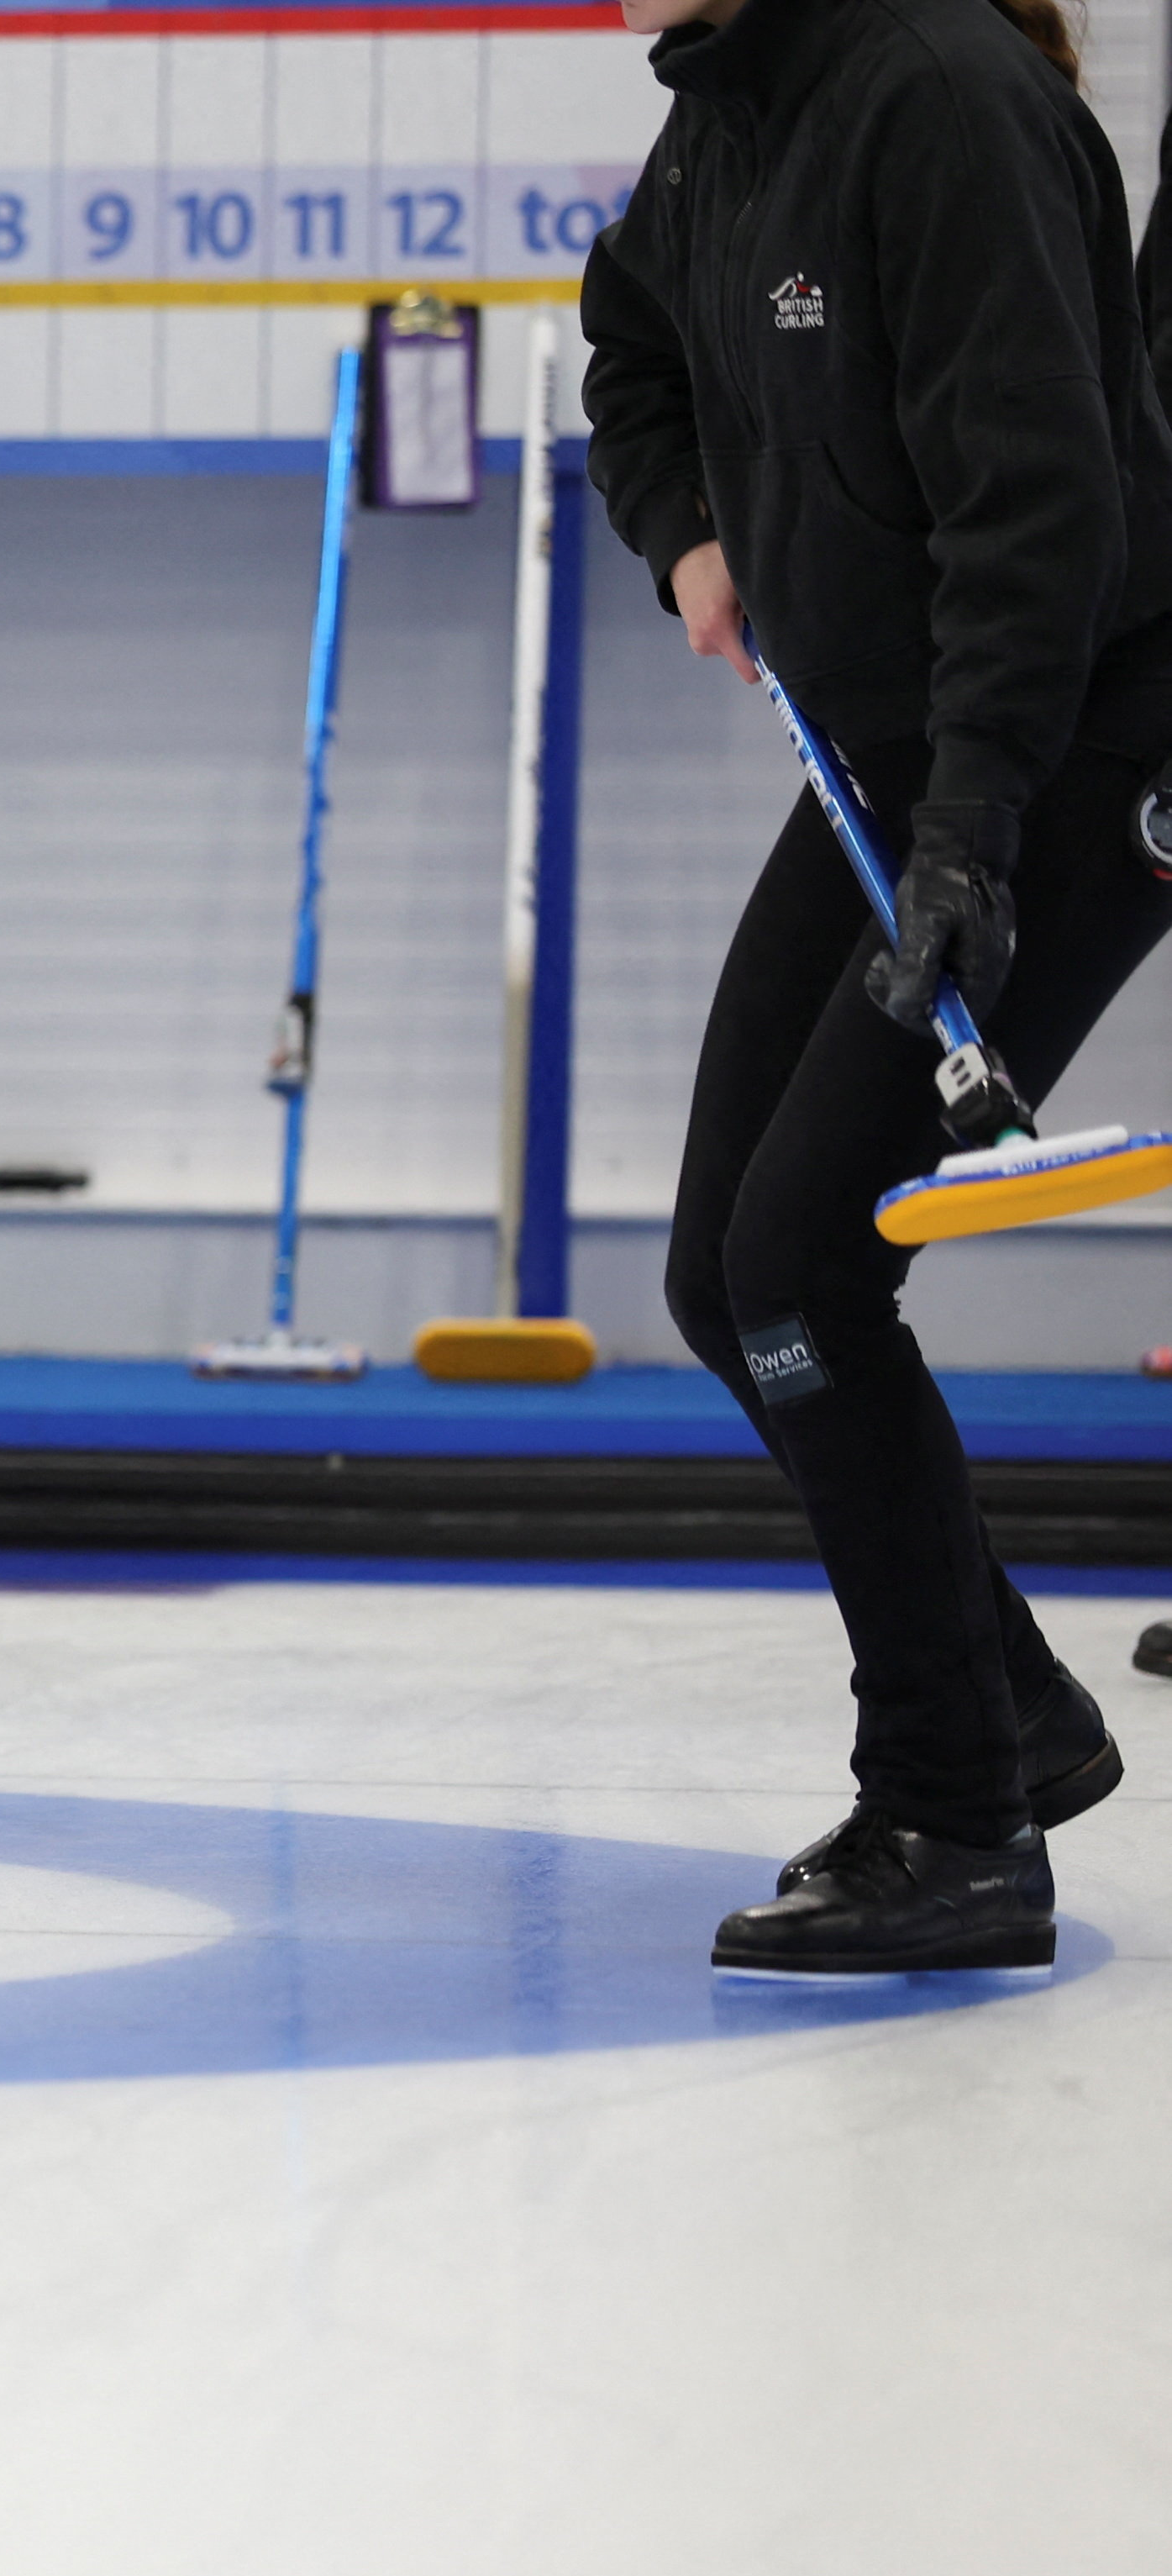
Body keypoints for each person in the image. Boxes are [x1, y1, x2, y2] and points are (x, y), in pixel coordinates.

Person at [583, 0, 1169, 1972]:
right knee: (717, 1265)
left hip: (1075, 740)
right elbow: (630, 354)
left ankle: (955, 1818)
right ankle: (1004, 1703)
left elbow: (1041, 509)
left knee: (805, 1258)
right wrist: (683, 538)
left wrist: (974, 838)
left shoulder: (936, 96)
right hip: (887, 742)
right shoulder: (719, 124)